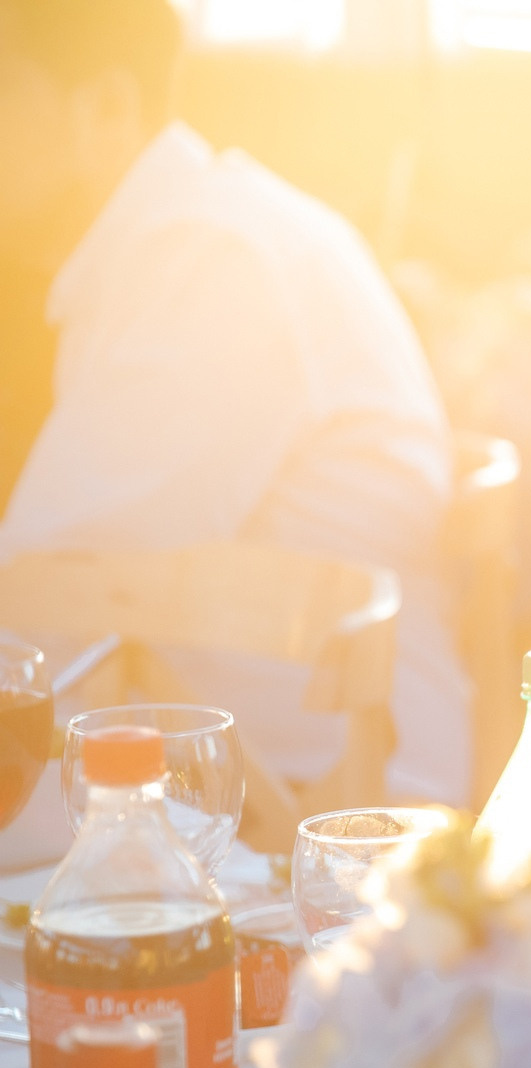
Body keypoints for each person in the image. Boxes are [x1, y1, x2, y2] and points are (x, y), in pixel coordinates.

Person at [0, 0, 468, 803]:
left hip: (330, 808)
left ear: (107, 106)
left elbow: (44, 590)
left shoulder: (214, 258)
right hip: (236, 775)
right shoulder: (199, 233)